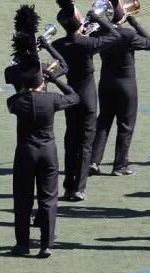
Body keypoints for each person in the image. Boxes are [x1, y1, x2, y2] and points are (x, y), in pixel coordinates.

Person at [4, 24, 78, 259]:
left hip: (25, 152)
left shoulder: (17, 101)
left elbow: (12, 91)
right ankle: (46, 244)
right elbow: (74, 97)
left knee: (23, 199)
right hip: (48, 151)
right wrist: (54, 78)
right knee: (48, 199)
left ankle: (22, 245)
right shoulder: (52, 100)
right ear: (41, 81)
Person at [52, 0, 119, 203]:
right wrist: (99, 18)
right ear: (78, 22)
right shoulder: (87, 43)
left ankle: (68, 186)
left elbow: (69, 41)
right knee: (85, 144)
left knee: (70, 141)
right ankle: (79, 189)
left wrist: (80, 28)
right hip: (88, 97)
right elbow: (114, 35)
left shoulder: (58, 45)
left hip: (70, 96)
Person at [89, 0, 150, 176]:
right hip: (126, 85)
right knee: (125, 125)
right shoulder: (128, 34)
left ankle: (93, 161)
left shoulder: (100, 33)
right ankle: (120, 165)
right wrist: (134, 22)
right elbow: (149, 43)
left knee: (103, 122)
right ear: (122, 17)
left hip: (106, 83)